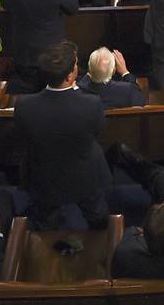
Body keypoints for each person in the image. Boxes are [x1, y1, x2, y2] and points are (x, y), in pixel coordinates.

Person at [14, 42, 109, 230]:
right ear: (69, 76)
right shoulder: (91, 104)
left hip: (44, 177)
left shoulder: (24, 105)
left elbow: (24, 135)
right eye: (75, 65)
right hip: (84, 176)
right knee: (97, 215)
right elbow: (96, 131)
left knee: (45, 221)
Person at [78, 47, 146, 108]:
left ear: (89, 69)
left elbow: (81, 85)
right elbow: (140, 104)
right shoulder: (128, 90)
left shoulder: (80, 91)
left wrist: (93, 69)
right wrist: (125, 72)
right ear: (113, 71)